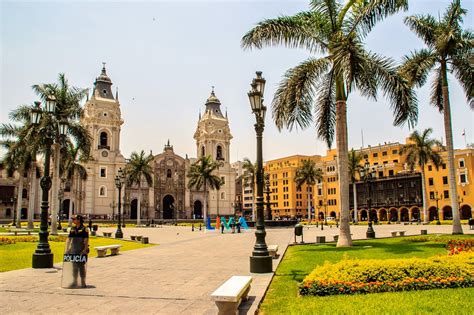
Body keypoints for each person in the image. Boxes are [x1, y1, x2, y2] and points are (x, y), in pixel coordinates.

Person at [65, 215, 89, 288]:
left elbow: (86, 239)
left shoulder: (84, 229)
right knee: (74, 266)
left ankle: (83, 281)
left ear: (79, 220)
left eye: (74, 219)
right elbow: (69, 239)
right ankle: (74, 281)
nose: (73, 220)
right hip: (74, 249)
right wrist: (67, 249)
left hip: (81, 249)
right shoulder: (73, 228)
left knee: (81, 266)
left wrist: (85, 249)